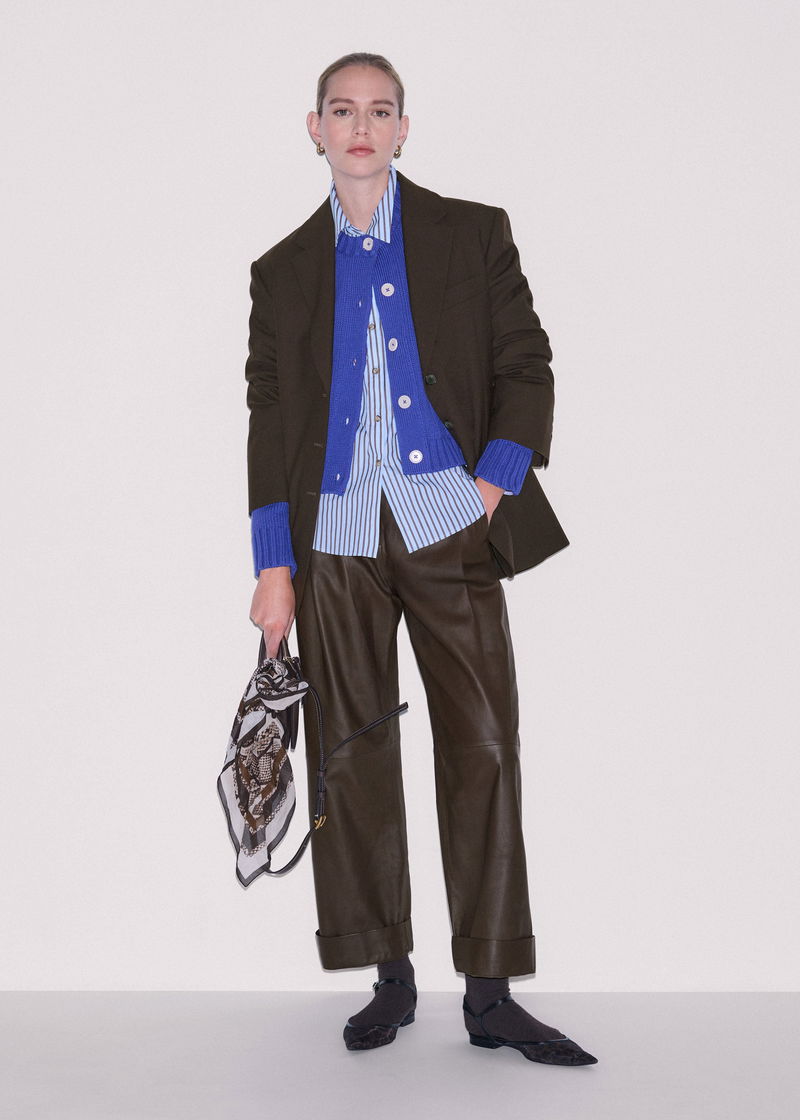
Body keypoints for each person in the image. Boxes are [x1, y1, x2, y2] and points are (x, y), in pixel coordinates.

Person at [245, 52, 597, 1066]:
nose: (360, 126)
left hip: (450, 520)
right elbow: (269, 416)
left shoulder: (470, 233)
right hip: (335, 539)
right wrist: (274, 564)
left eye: (379, 110)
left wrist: (491, 484)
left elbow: (524, 361)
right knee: (350, 754)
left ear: (404, 128)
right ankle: (387, 975)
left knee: (482, 743)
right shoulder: (281, 270)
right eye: (341, 110)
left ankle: (489, 992)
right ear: (314, 128)